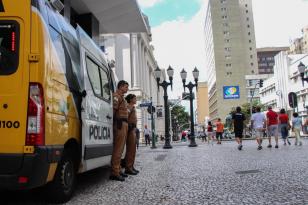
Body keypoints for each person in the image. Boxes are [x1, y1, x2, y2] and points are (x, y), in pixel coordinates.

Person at [110, 80, 129, 181]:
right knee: (118, 149)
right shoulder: (116, 96)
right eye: (126, 87)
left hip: (124, 124)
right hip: (119, 124)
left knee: (121, 149)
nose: (127, 89)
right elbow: (113, 110)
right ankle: (115, 172)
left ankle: (118, 169)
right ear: (121, 87)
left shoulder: (122, 98)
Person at [124, 94, 139, 175]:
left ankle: (131, 166)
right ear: (130, 99)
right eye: (134, 98)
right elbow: (126, 115)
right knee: (130, 149)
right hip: (130, 129)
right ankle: (128, 168)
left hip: (133, 129)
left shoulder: (133, 107)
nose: (136, 100)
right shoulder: (129, 106)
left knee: (133, 149)